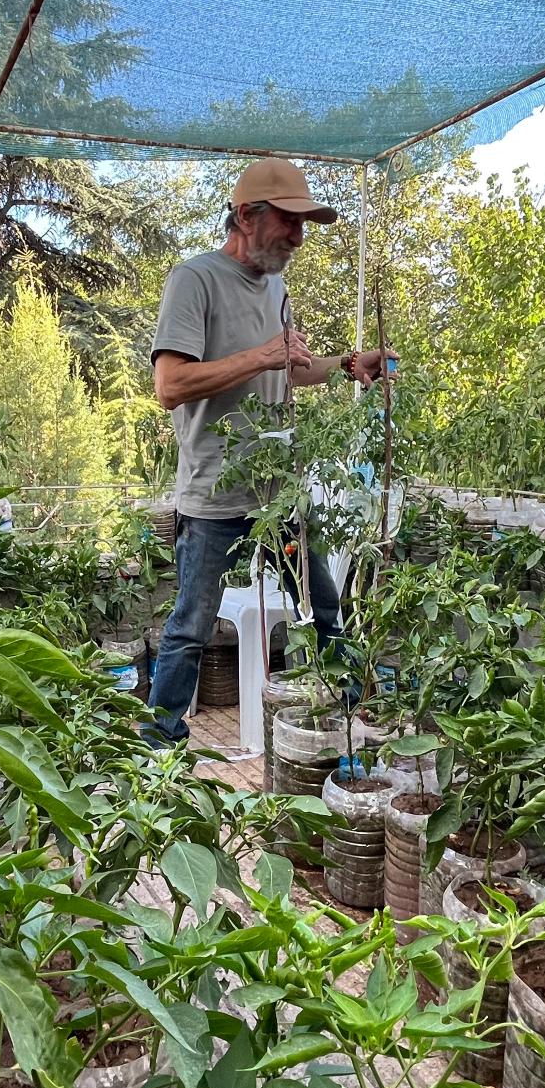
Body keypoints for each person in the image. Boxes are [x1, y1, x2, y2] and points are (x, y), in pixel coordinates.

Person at [146, 157, 395, 745]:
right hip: (213, 494)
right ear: (245, 216)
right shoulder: (194, 280)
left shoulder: (277, 287)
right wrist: (262, 354)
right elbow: (170, 385)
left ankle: (353, 725)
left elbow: (286, 370)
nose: (298, 237)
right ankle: (156, 747)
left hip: (278, 495)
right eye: (288, 221)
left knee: (325, 609)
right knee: (191, 626)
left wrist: (345, 365)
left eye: (302, 224)